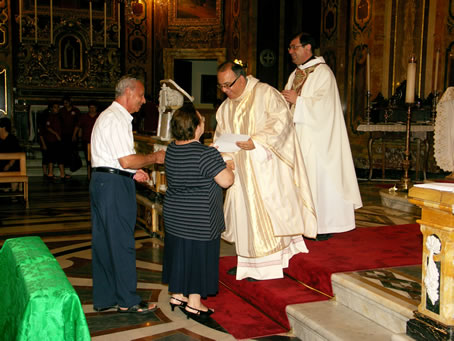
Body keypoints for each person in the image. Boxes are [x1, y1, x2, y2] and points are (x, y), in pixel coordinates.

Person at [215, 61, 317, 281]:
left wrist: (257, 142)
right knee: (244, 217)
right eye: (221, 87)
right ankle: (247, 263)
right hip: (241, 172)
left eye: (228, 85)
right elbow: (221, 136)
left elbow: (281, 122)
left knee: (267, 218)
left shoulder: (265, 93)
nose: (225, 91)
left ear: (241, 79)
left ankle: (266, 267)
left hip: (265, 170)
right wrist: (226, 159)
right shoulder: (225, 107)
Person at [90, 75, 165, 314]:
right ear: (128, 93)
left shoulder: (108, 116)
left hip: (103, 180)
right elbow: (126, 159)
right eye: (141, 95)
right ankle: (128, 300)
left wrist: (132, 172)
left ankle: (106, 297)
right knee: (122, 243)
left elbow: (113, 158)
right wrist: (154, 157)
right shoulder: (118, 119)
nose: (143, 101)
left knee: (104, 243)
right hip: (112, 186)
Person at [282, 32, 363, 237]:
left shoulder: (322, 72)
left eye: (294, 47)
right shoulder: (295, 74)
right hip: (296, 137)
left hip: (317, 140)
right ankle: (302, 224)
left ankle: (323, 226)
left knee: (317, 181)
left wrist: (297, 101)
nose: (290, 51)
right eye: (290, 48)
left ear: (308, 47)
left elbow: (325, 106)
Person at [162, 103, 234, 319]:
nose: (204, 121)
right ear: (195, 127)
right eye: (201, 119)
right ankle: (194, 302)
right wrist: (228, 164)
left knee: (180, 254)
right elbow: (226, 181)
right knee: (199, 257)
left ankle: (178, 294)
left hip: (175, 216)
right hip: (200, 219)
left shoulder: (171, 150)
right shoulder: (206, 154)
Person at [59, 95, 81, 178]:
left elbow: (78, 123)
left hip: (73, 134)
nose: (65, 104)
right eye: (64, 103)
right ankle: (65, 170)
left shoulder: (76, 110)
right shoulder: (61, 111)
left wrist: (75, 134)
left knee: (73, 152)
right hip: (63, 134)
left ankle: (73, 167)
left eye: (67, 102)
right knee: (64, 152)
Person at [44, 102, 66, 180]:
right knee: (51, 157)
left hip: (58, 140)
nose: (57, 109)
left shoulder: (59, 116)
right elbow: (48, 127)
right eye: (55, 107)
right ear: (52, 108)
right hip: (52, 139)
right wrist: (56, 134)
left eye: (58, 107)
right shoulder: (50, 116)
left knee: (60, 157)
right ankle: (50, 173)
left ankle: (62, 174)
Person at [77, 101, 99, 179]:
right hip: (86, 140)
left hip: (97, 141)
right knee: (88, 160)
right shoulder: (84, 117)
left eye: (93, 107)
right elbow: (79, 127)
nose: (92, 109)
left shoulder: (100, 116)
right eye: (90, 107)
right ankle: (89, 176)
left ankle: (96, 175)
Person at [0, 117, 21, 192]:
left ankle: (14, 193)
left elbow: (17, 154)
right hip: (1, 163)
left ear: (3, 128)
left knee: (15, 168)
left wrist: (9, 164)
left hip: (11, 164)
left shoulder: (12, 139)